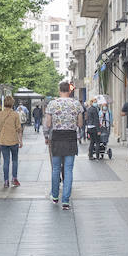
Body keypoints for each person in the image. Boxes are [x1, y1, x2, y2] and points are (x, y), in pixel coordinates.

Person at [44, 82, 83, 210]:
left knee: (55, 168)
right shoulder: (76, 104)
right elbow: (80, 123)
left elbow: (48, 124)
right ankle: (65, 200)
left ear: (59, 90)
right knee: (68, 169)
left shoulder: (52, 104)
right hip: (71, 138)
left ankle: (55, 196)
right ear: (70, 90)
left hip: (57, 138)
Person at [0, 95, 23, 188]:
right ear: (12, 103)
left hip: (3, 141)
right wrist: (20, 140)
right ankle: (14, 178)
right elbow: (19, 129)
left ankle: (6, 181)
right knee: (15, 160)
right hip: (14, 141)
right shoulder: (15, 114)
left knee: (6, 161)